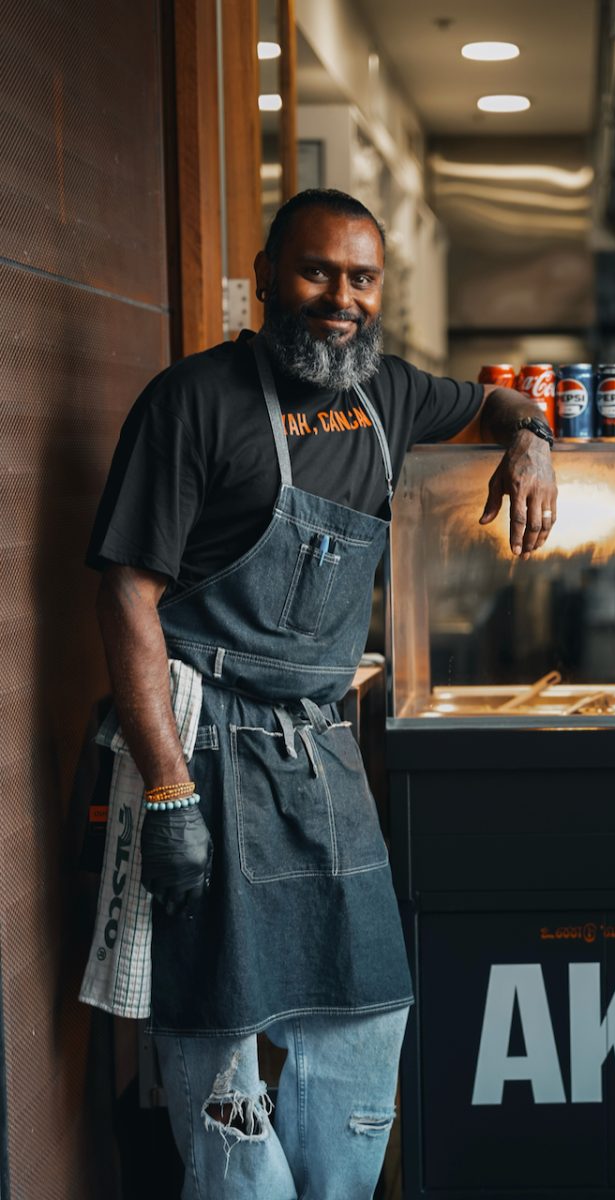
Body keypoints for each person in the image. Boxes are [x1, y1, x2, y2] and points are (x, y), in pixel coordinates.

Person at [84, 188, 558, 1198]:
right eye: (315, 272)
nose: (339, 298)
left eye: (360, 278)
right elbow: (126, 594)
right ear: (264, 278)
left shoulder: (386, 393)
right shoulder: (193, 403)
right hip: (208, 752)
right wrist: (166, 785)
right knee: (220, 1034)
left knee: (367, 1010)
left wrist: (536, 442)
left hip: (322, 754)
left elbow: (496, 400)